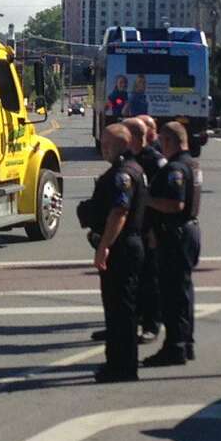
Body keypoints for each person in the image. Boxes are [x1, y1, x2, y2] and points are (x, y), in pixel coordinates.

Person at [83, 123, 146, 383]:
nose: (103, 148)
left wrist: (104, 246)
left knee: (121, 310)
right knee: (118, 309)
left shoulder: (124, 174)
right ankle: (118, 363)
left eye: (106, 144)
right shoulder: (131, 168)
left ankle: (122, 367)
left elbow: (120, 212)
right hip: (126, 244)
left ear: (115, 145)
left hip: (122, 247)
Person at [144, 121, 202, 366]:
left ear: (169, 141)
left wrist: (147, 199)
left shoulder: (175, 168)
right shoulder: (193, 164)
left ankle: (175, 347)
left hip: (175, 234)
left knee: (172, 294)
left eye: (162, 141)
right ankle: (186, 342)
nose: (160, 146)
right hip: (188, 230)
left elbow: (175, 204)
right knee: (184, 292)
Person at [131, 116, 168, 345]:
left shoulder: (155, 161)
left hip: (150, 228)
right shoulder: (129, 158)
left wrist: (155, 229)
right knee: (133, 279)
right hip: (133, 227)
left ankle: (152, 325)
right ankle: (129, 322)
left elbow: (161, 197)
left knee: (150, 279)